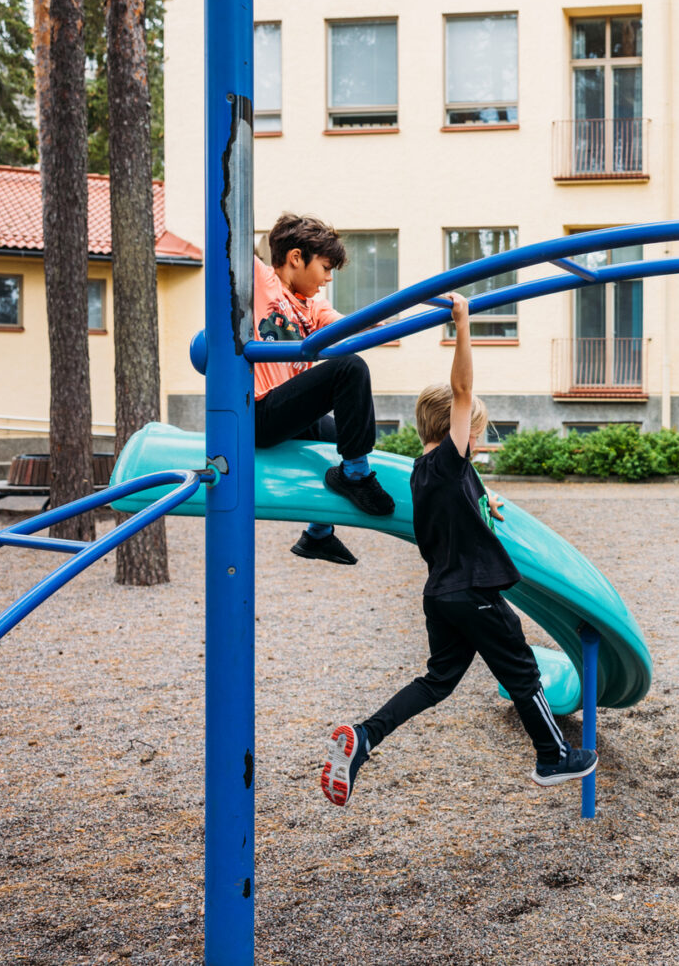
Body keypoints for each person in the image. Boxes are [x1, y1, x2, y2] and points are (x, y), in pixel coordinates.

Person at [320, 292, 597, 807]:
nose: (479, 441)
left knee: (437, 681)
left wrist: (484, 498)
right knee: (522, 671)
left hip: (442, 595)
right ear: (457, 430)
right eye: (475, 430)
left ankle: (364, 736)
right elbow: (463, 388)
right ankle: (552, 757)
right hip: (473, 592)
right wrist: (463, 323)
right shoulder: (449, 462)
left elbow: (461, 493)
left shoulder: (426, 474)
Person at [254, 213, 395, 565]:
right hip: (258, 413)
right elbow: (231, 244)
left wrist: (401, 312)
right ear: (296, 258)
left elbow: (354, 328)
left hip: (289, 413)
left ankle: (317, 533)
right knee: (349, 369)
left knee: (352, 433)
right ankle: (356, 477)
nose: (329, 278)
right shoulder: (260, 282)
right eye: (326, 267)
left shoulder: (312, 306)